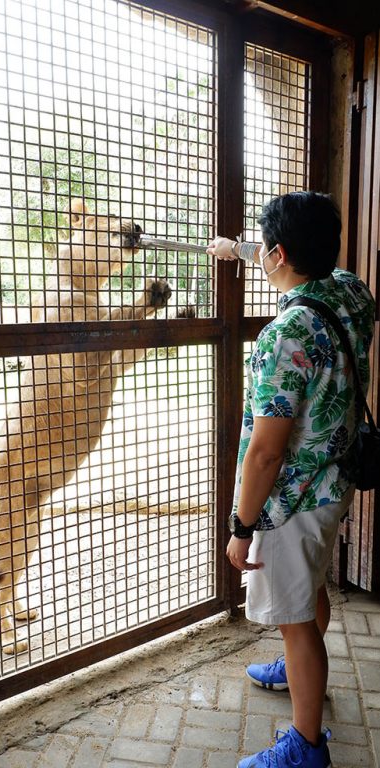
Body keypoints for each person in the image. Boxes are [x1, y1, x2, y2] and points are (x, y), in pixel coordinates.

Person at [207, 191, 375, 768]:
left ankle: (305, 747)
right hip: (336, 480)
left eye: (263, 248)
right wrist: (237, 249)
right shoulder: (351, 290)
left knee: (296, 622)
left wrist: (241, 526)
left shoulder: (284, 337)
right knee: (311, 583)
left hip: (292, 501)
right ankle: (297, 670)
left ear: (279, 254)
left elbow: (265, 454)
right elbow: (292, 259)